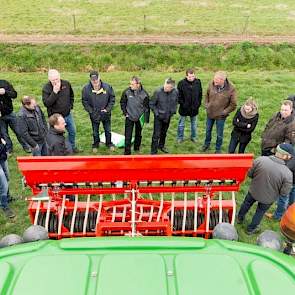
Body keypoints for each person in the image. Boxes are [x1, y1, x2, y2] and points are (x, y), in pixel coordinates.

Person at [237, 143, 293, 235]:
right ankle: (250, 229)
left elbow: (250, 174)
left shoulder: (260, 160)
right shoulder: (288, 174)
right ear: (285, 156)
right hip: (268, 199)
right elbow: (284, 192)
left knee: (246, 204)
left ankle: (239, 218)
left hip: (253, 191)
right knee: (260, 212)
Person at [42, 69, 80, 153]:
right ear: (49, 79)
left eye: (57, 79)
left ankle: (72, 147)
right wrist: (55, 92)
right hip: (55, 118)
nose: (55, 81)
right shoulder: (46, 88)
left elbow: (71, 95)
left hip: (67, 114)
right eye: (53, 80)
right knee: (56, 136)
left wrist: (70, 106)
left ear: (59, 77)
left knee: (72, 131)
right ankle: (59, 150)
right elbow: (47, 103)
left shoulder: (66, 84)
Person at [202, 71, 237, 153]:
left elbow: (233, 104)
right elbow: (206, 95)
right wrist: (207, 105)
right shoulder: (211, 84)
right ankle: (206, 144)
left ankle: (218, 149)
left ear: (223, 80)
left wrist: (224, 112)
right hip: (210, 113)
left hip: (221, 116)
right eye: (214, 79)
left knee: (219, 134)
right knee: (208, 131)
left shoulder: (231, 89)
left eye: (217, 81)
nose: (214, 82)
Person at [82, 70, 115, 152]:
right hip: (94, 114)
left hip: (105, 113)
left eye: (96, 79)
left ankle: (109, 143)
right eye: (93, 80)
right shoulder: (86, 89)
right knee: (95, 131)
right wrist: (91, 111)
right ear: (90, 79)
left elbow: (112, 99)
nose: (95, 81)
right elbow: (84, 101)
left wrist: (107, 109)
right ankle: (96, 144)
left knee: (107, 130)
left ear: (99, 77)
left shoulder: (107, 87)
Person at [120, 76, 150, 155]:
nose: (130, 86)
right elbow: (122, 102)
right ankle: (127, 152)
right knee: (128, 135)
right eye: (130, 84)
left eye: (132, 84)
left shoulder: (145, 94)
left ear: (138, 84)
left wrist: (145, 119)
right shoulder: (126, 92)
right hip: (129, 117)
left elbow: (147, 107)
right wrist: (125, 112)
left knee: (138, 134)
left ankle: (137, 148)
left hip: (139, 118)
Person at [0, 78, 31, 154]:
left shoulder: (4, 83)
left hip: (10, 113)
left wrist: (5, 92)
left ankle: (26, 146)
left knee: (18, 131)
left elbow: (14, 94)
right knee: (4, 134)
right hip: (0, 117)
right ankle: (9, 149)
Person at [150, 78, 178, 154]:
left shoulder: (175, 92)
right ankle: (153, 151)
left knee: (164, 133)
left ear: (172, 88)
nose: (165, 88)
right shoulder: (158, 92)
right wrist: (157, 113)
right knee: (156, 134)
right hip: (159, 117)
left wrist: (173, 112)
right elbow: (152, 104)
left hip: (168, 116)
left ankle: (161, 146)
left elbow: (176, 102)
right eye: (165, 86)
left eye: (168, 87)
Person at [177, 68, 202, 143]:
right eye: (190, 77)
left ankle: (193, 137)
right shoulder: (181, 83)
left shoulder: (198, 82)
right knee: (181, 124)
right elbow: (178, 96)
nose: (191, 78)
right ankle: (180, 137)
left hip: (194, 108)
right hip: (184, 108)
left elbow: (200, 94)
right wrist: (183, 104)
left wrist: (198, 103)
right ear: (186, 76)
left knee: (194, 124)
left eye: (193, 76)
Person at [265, 156, 295, 220]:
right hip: (293, 181)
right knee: (292, 197)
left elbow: (288, 167)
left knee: (283, 198)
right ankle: (289, 213)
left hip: (290, 181)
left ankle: (278, 216)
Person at [0, 133, 15, 218]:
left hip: (2, 157)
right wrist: (3, 144)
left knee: (7, 177)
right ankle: (4, 206)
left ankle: (8, 198)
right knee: (3, 185)